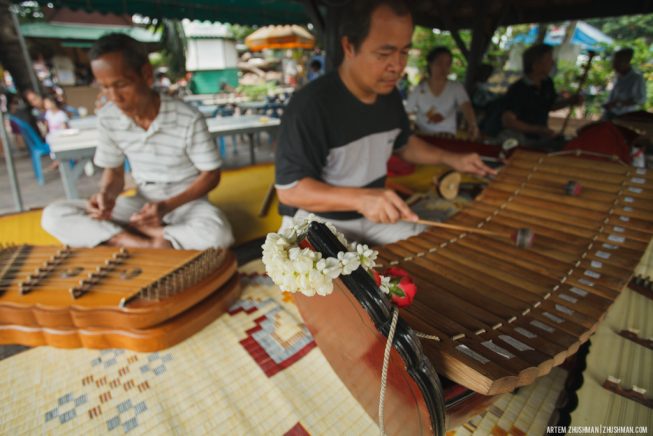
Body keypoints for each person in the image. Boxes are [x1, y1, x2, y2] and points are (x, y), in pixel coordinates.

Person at [274, 0, 495, 246]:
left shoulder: (389, 96)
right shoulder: (311, 106)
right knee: (344, 282)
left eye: (404, 52)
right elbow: (290, 189)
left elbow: (404, 144)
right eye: (384, 54)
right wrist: (361, 199)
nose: (398, 66)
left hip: (374, 217)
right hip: (317, 221)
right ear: (349, 46)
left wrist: (452, 158)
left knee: (431, 248)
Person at [42, 33, 234, 250]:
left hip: (187, 204)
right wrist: (106, 195)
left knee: (218, 234)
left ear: (146, 74)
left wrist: (165, 207)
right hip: (141, 203)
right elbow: (113, 173)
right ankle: (142, 240)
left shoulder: (188, 118)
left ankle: (127, 237)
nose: (114, 96)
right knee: (53, 215)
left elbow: (211, 175)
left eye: (121, 84)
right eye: (104, 87)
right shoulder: (108, 118)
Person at [500, 43, 582, 149]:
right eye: (548, 59)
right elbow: (509, 121)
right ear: (536, 64)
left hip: (539, 138)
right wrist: (538, 129)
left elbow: (550, 105)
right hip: (521, 138)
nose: (552, 63)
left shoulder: (547, 84)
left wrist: (569, 101)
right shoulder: (519, 89)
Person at [406, 46, 479, 139]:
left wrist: (473, 125)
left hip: (447, 137)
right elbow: (407, 113)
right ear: (430, 64)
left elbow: (466, 106)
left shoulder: (456, 87)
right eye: (439, 63)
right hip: (422, 136)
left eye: (447, 64)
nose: (443, 68)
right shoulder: (419, 89)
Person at [602, 48, 647, 120]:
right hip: (610, 114)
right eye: (614, 62)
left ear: (627, 61)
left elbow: (640, 99)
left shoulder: (636, 78)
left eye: (617, 62)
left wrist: (618, 103)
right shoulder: (618, 76)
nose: (614, 65)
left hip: (624, 117)